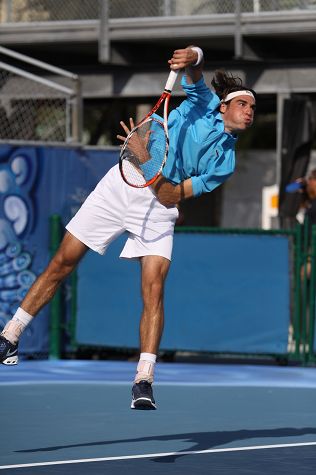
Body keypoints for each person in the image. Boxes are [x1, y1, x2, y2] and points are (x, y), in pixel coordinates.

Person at [0, 46, 256, 410]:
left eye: (252, 108)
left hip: (156, 202)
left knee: (153, 291)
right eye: (243, 104)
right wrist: (194, 54)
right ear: (225, 106)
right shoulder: (203, 103)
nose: (249, 112)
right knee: (62, 263)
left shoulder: (225, 162)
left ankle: (144, 380)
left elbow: (169, 196)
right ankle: (10, 336)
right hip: (120, 185)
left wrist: (143, 154)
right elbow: (195, 72)